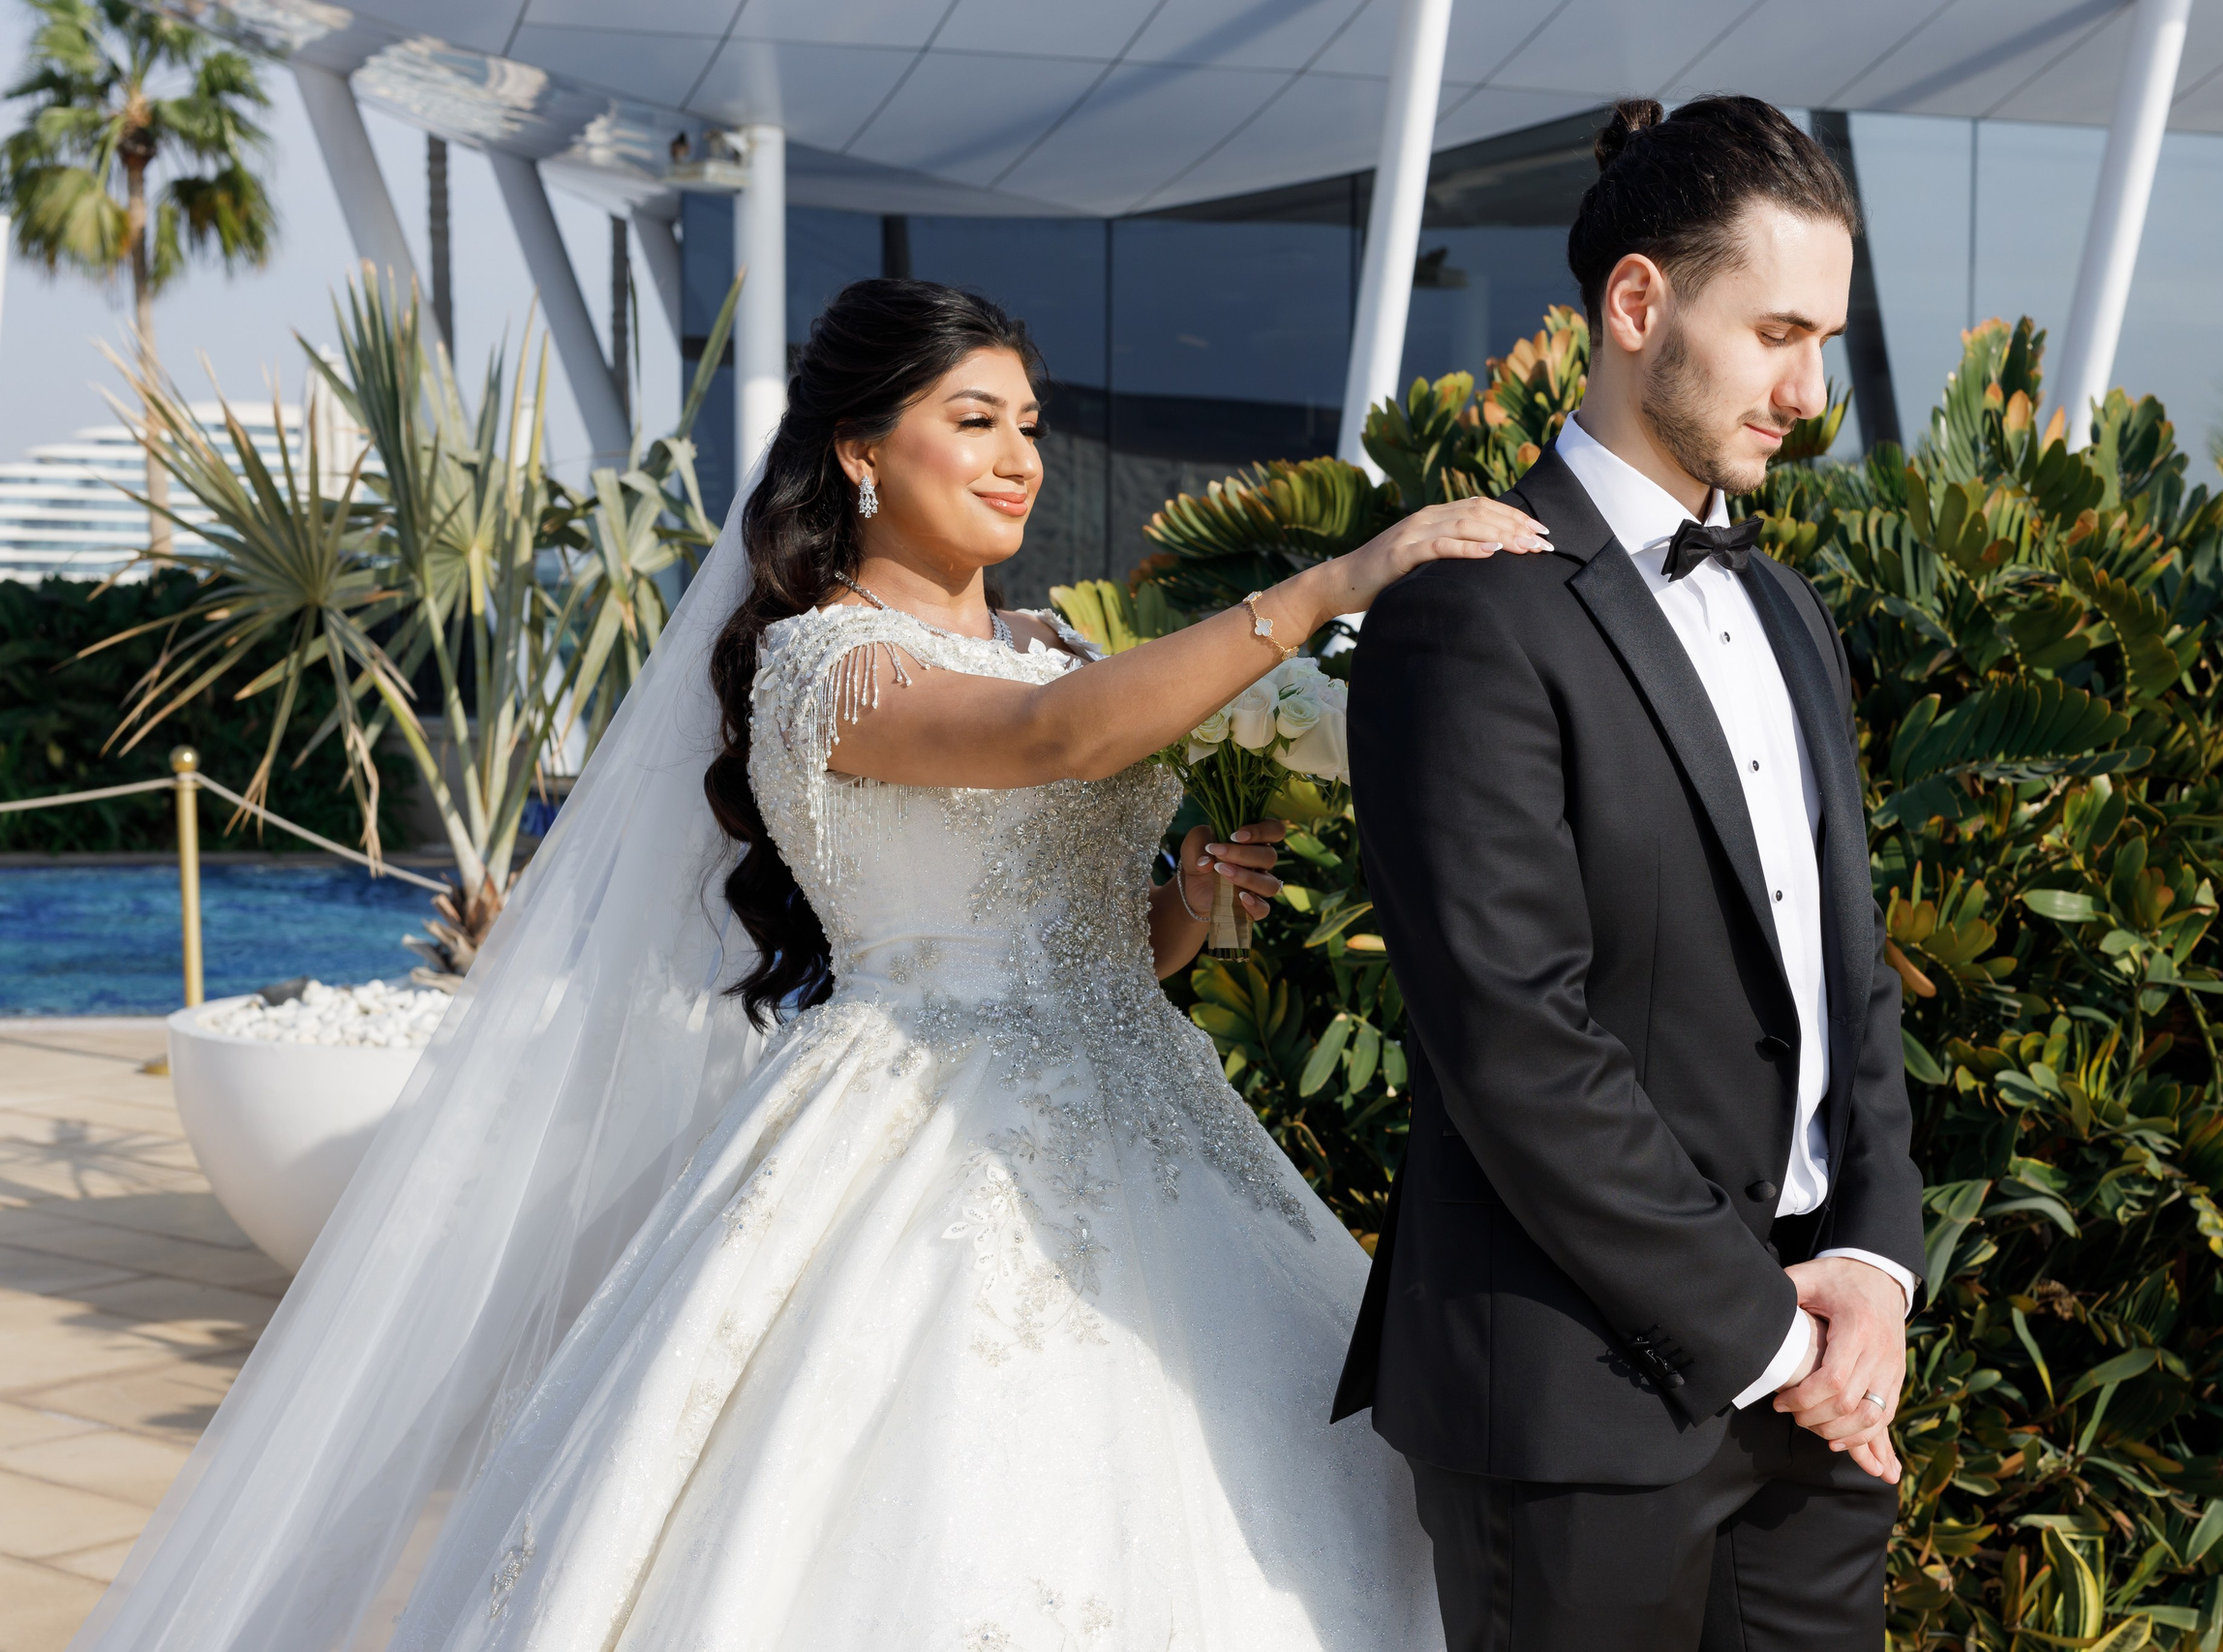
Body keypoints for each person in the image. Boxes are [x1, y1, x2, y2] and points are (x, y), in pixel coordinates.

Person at [70, 279, 1547, 1651]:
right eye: (973, 421)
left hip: (1150, 1117)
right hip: (924, 1144)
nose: (1019, 457)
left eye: (1030, 424)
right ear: (859, 451)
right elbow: (1057, 742)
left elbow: (1099, 942)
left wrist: (1185, 910)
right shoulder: (828, 667)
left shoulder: (1046, 639)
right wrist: (1338, 578)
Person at [1336, 96, 1930, 1650]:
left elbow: (1846, 971)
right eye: (1779, 331)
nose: (1814, 390)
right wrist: (1763, 1330)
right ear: (1640, 304)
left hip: (1814, 1405)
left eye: (1831, 338)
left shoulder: (1791, 610)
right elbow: (1515, 1039)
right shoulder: (1463, 615)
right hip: (1578, 1411)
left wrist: (1871, 1263)